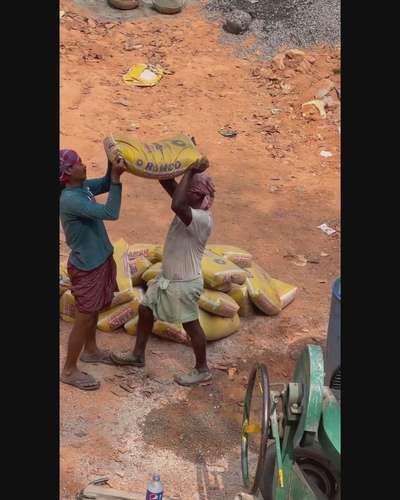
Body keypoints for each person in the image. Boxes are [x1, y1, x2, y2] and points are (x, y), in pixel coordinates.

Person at [111, 157, 215, 386]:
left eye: (187, 189)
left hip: (185, 283)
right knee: (145, 309)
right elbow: (168, 184)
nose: (182, 190)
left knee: (190, 324)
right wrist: (169, 161)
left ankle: (202, 368)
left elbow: (176, 203)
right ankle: (138, 356)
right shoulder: (189, 208)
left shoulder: (200, 218)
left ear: (197, 195)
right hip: (168, 279)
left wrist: (189, 171)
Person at [59, 149, 127, 391]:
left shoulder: (82, 188)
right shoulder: (71, 200)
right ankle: (68, 370)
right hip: (87, 266)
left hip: (98, 260)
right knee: (84, 318)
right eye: (78, 163)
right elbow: (111, 213)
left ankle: (91, 350)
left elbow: (107, 182)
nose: (83, 164)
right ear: (67, 173)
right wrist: (117, 179)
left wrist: (111, 162)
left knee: (94, 308)